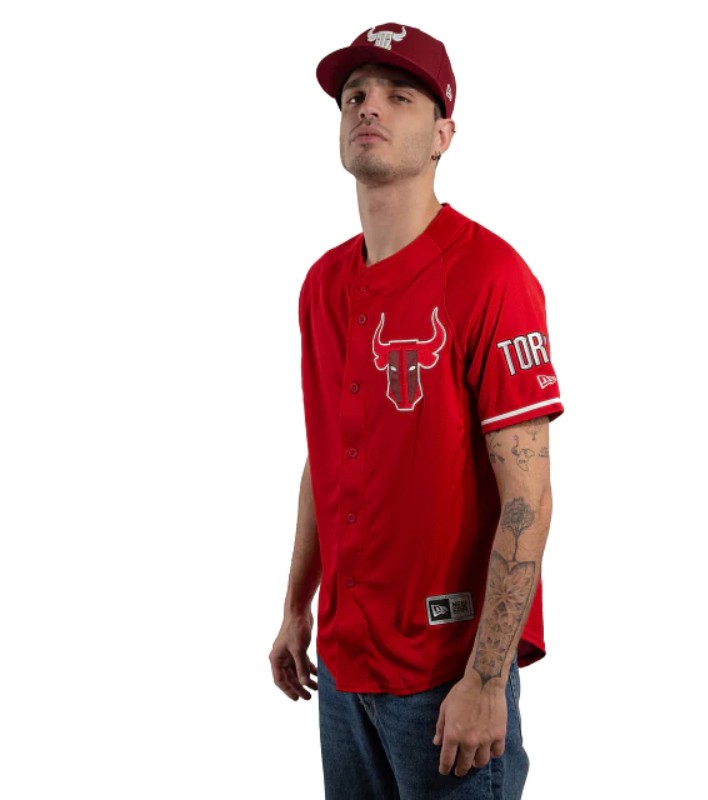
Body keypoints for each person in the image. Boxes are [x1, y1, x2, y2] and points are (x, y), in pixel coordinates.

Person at [269, 22, 564, 800]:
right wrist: (297, 605)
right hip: (344, 673)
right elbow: (328, 454)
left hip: (444, 682)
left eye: (400, 96)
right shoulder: (322, 286)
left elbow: (528, 500)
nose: (369, 107)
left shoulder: (493, 277)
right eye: (355, 95)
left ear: (442, 135)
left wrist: (486, 681)